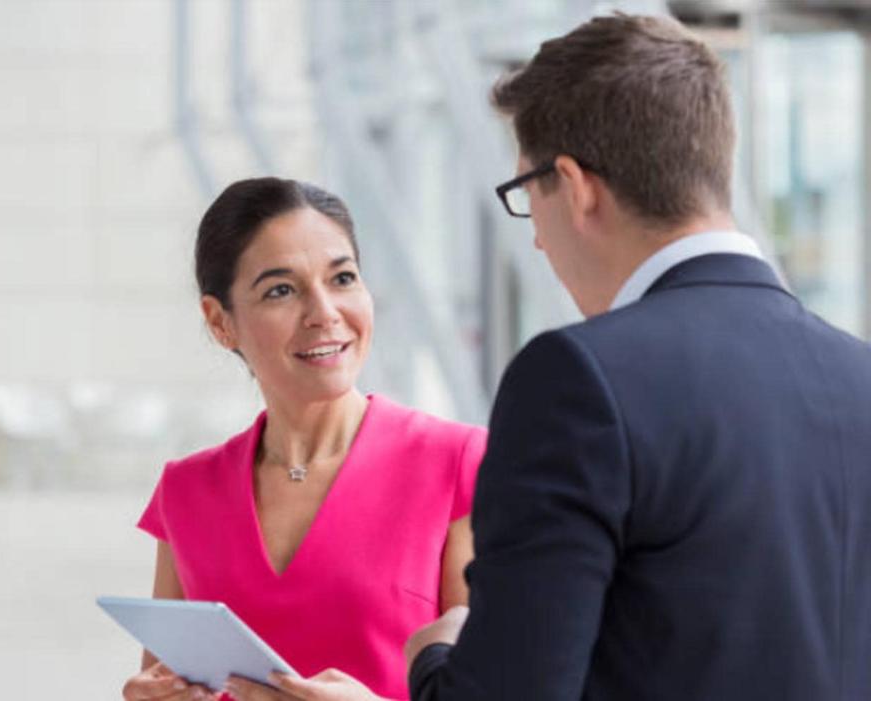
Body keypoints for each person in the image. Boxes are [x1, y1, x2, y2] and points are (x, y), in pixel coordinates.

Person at [405, 13, 871, 701]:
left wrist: (434, 652)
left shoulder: (577, 382)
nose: (536, 239)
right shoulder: (858, 375)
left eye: (527, 197)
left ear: (576, 184)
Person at [121, 178, 485, 701]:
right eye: (281, 290)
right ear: (221, 322)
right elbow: (167, 681)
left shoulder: (459, 465)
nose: (324, 313)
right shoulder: (187, 491)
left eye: (342, 278)